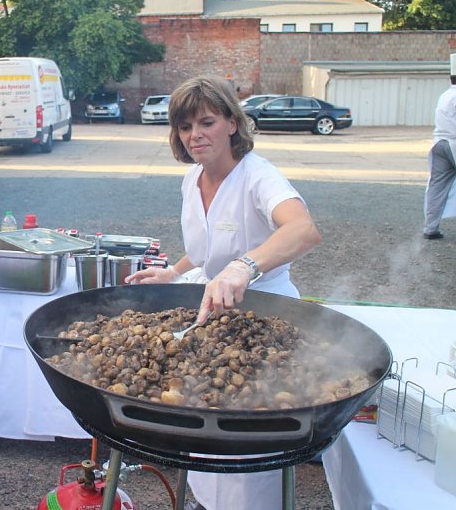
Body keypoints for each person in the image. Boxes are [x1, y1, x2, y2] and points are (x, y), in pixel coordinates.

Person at [125, 75, 321, 510]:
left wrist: (245, 266)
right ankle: (204, 500)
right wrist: (172, 272)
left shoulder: (258, 176)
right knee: (203, 404)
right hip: (212, 310)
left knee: (245, 420)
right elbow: (206, 250)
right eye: (184, 126)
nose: (195, 135)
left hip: (266, 311)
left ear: (233, 123)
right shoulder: (192, 179)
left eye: (207, 122)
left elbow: (304, 230)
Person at [423, 53, 456, 240]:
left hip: (439, 143)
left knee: (437, 186)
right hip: (455, 142)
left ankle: (430, 228)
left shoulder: (445, 95)